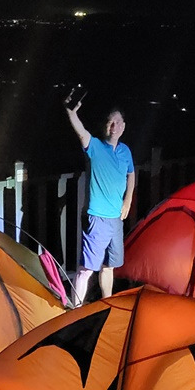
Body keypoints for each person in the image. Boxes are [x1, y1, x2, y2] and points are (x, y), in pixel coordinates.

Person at [65, 99, 135, 307]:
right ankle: (75, 309)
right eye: (110, 122)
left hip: (116, 218)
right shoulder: (95, 146)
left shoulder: (125, 151)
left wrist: (128, 200)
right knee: (86, 269)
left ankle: (107, 304)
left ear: (123, 126)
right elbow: (81, 132)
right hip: (96, 217)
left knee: (109, 266)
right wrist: (71, 114)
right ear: (105, 126)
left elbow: (131, 174)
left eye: (118, 122)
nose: (114, 126)